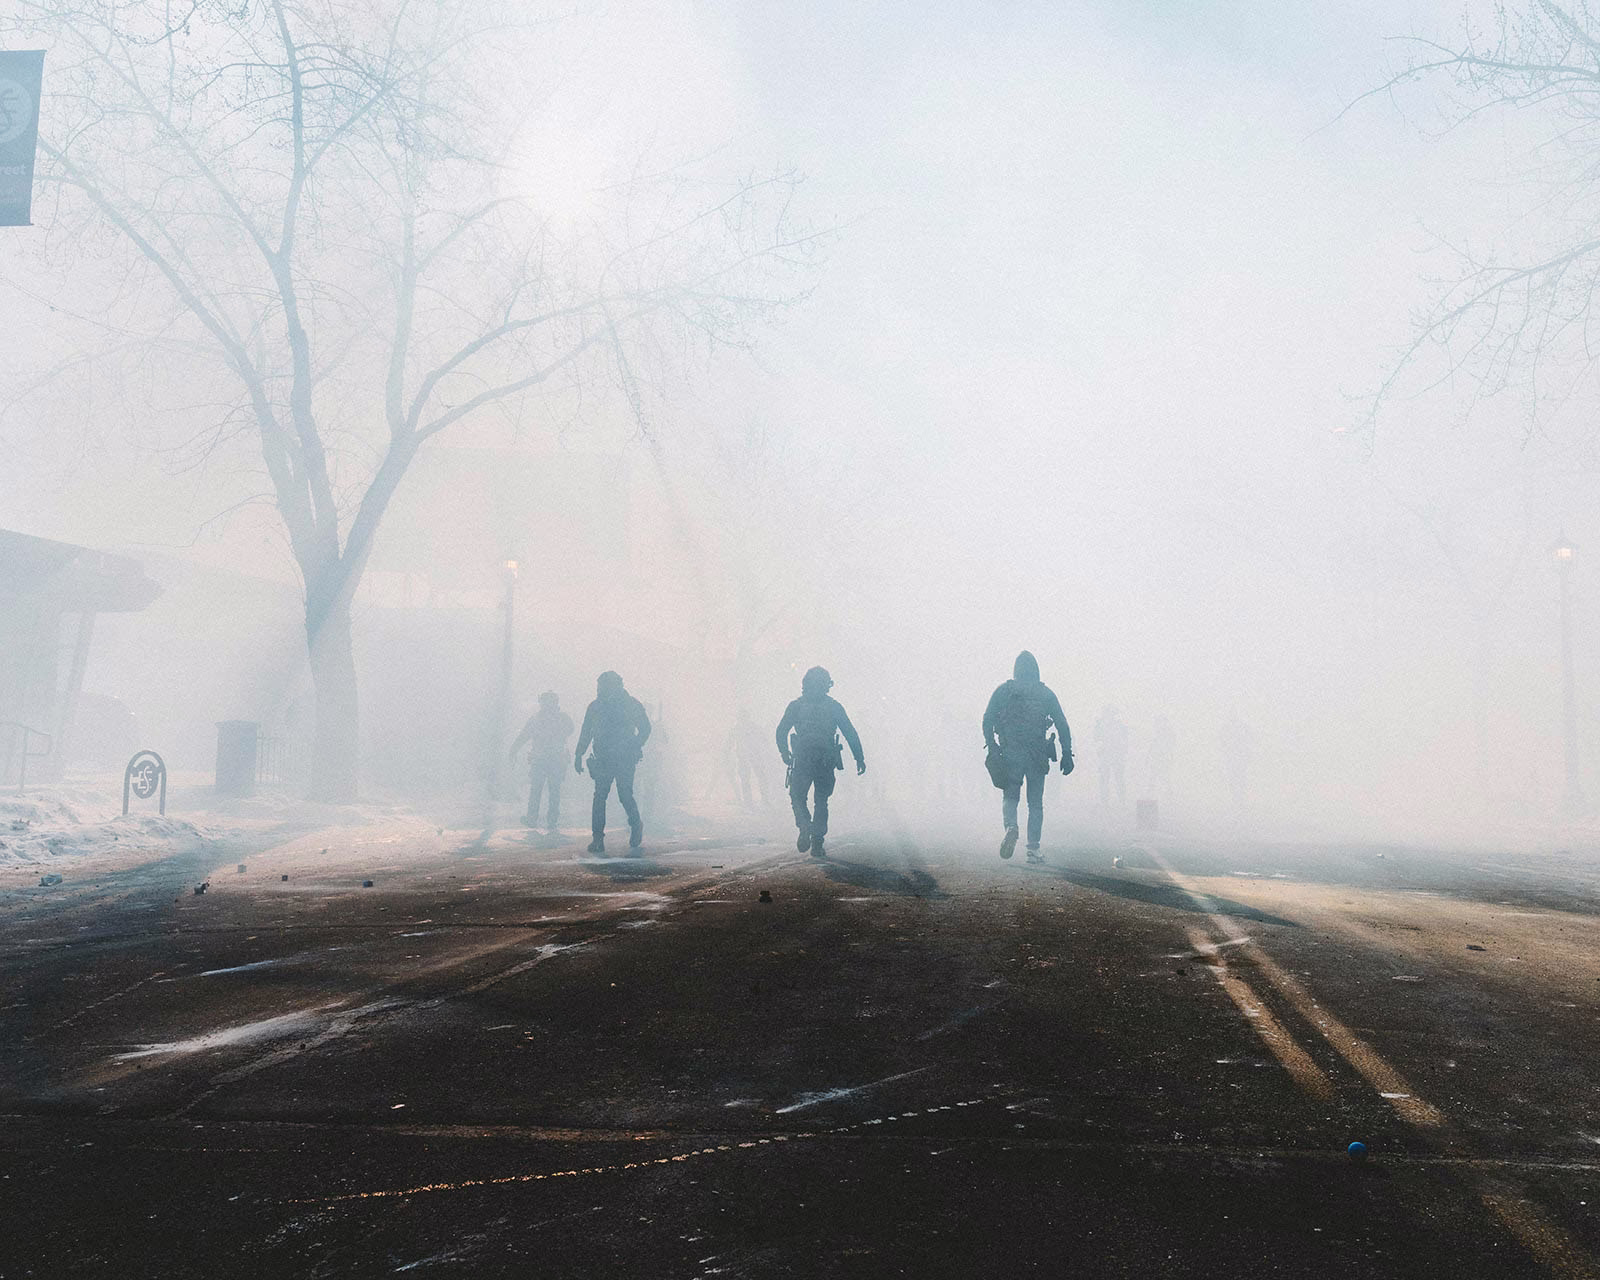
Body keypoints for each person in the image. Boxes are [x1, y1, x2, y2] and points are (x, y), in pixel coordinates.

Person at [983, 651, 1073, 862]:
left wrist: (993, 747)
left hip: (1011, 753)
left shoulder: (1003, 691)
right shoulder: (1046, 694)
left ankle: (1011, 827)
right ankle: (1033, 850)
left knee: (1010, 797)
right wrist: (1067, 753)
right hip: (1036, 754)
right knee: (1035, 803)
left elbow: (987, 719)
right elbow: (1062, 723)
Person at [775, 666, 865, 858]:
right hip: (825, 761)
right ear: (827, 685)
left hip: (802, 760)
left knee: (798, 797)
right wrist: (859, 757)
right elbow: (850, 732)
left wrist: (785, 753)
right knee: (821, 801)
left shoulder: (796, 706)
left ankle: (804, 825)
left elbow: (781, 731)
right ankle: (817, 843)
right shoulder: (833, 707)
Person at [574, 670, 652, 855]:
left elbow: (645, 728)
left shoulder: (631, 704)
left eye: (603, 685)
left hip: (624, 759)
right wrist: (578, 754)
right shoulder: (596, 707)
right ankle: (597, 839)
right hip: (603, 759)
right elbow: (586, 731)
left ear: (615, 685)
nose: (599, 689)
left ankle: (635, 825)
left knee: (624, 795)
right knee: (600, 797)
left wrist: (634, 745)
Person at [509, 691, 573, 833]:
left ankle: (532, 818)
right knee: (554, 791)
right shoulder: (563, 718)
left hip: (540, 760)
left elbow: (523, 736)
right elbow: (570, 730)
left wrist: (513, 750)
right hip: (556, 760)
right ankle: (552, 820)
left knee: (536, 790)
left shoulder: (536, 719)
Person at [1094, 705, 1129, 808]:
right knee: (1105, 779)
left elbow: (1125, 739)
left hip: (1116, 755)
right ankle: (1105, 802)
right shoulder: (1101, 725)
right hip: (1106, 755)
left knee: (1118, 779)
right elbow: (1096, 738)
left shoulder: (1119, 726)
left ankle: (1121, 801)